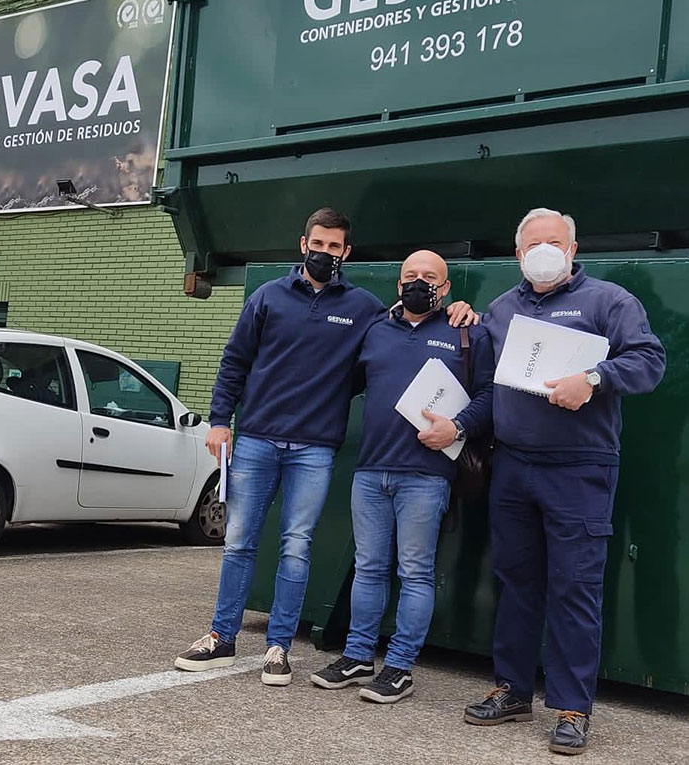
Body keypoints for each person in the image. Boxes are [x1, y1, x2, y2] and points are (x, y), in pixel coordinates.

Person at [174, 209, 471, 685]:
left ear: (346, 253)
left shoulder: (365, 309)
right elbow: (235, 361)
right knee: (238, 541)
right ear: (303, 244)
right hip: (255, 439)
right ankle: (221, 636)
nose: (325, 253)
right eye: (319, 244)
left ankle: (278, 648)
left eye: (335, 247)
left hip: (315, 447)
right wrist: (220, 421)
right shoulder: (268, 296)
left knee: (296, 545)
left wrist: (461, 312)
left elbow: (409, 327)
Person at [463, 208, 666, 756]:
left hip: (580, 468)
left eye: (555, 242)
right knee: (516, 581)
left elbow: (650, 360)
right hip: (513, 467)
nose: (545, 251)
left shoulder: (609, 302)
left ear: (573, 250)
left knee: (575, 588)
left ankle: (573, 709)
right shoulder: (502, 310)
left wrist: (595, 378)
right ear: (518, 253)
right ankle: (511, 689)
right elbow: (484, 375)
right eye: (534, 244)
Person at [310, 250, 493, 703]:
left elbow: (490, 395)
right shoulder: (375, 330)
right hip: (371, 471)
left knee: (414, 572)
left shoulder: (466, 331)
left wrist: (459, 426)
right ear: (398, 284)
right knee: (370, 569)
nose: (419, 282)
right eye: (410, 276)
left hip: (427, 476)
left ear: (445, 288)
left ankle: (400, 667)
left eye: (429, 277)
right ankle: (357, 656)